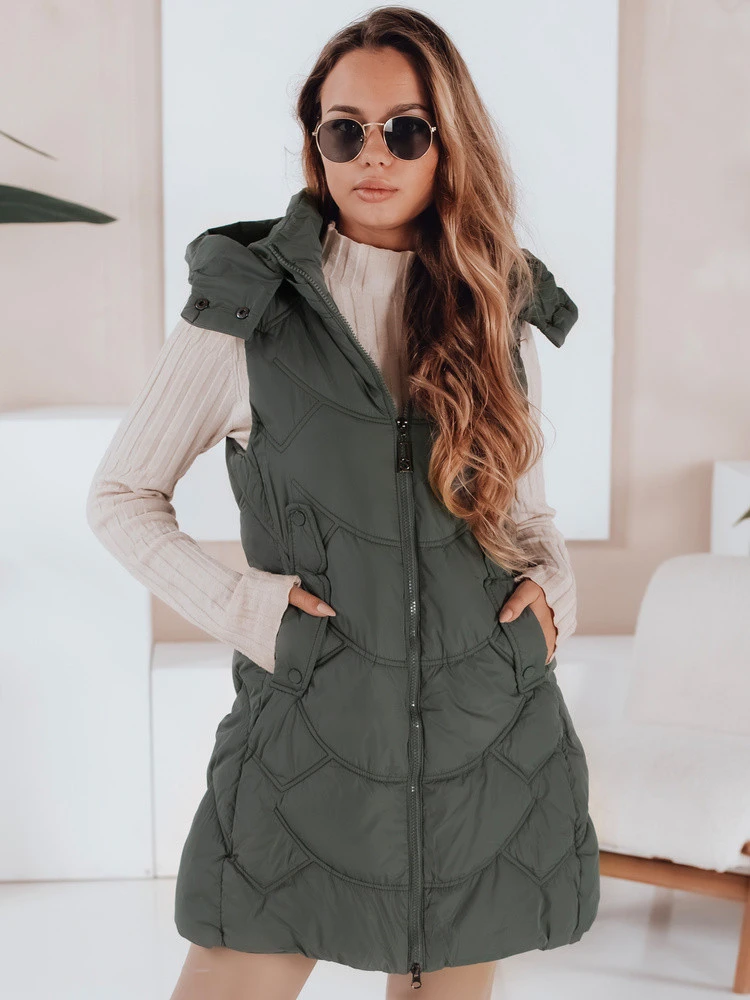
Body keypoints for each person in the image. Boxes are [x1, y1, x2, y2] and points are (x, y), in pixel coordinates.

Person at [87, 7, 599, 999]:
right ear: (315, 142)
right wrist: (253, 612)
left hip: (480, 740)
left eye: (405, 129)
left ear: (447, 142)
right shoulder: (248, 309)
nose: (374, 153)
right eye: (344, 129)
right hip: (306, 741)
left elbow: (525, 517)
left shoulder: (495, 306)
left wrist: (551, 605)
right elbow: (121, 495)